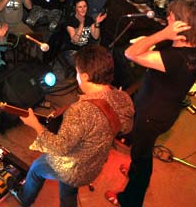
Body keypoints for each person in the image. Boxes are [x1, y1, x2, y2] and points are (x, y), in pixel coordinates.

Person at [105, 0, 196, 207]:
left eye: (171, 17)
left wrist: (162, 34)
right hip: (165, 110)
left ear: (181, 25)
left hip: (151, 116)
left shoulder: (174, 59)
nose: (167, 18)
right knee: (141, 151)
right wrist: (163, 37)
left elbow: (129, 53)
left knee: (142, 157)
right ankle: (134, 169)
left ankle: (130, 200)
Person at [15, 45, 134, 207]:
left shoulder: (80, 111)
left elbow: (60, 147)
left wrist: (35, 125)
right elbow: (126, 128)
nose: (77, 77)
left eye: (77, 72)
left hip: (73, 168)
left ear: (84, 76)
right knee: (69, 188)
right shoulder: (123, 97)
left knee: (37, 168)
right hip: (94, 165)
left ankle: (24, 198)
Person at [60, 0, 106, 70]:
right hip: (71, 50)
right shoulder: (70, 21)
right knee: (84, 67)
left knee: (98, 64)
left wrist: (97, 24)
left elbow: (96, 36)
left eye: (85, 6)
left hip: (85, 50)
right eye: (80, 7)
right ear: (75, 8)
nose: (83, 9)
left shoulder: (89, 19)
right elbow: (75, 40)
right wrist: (81, 24)